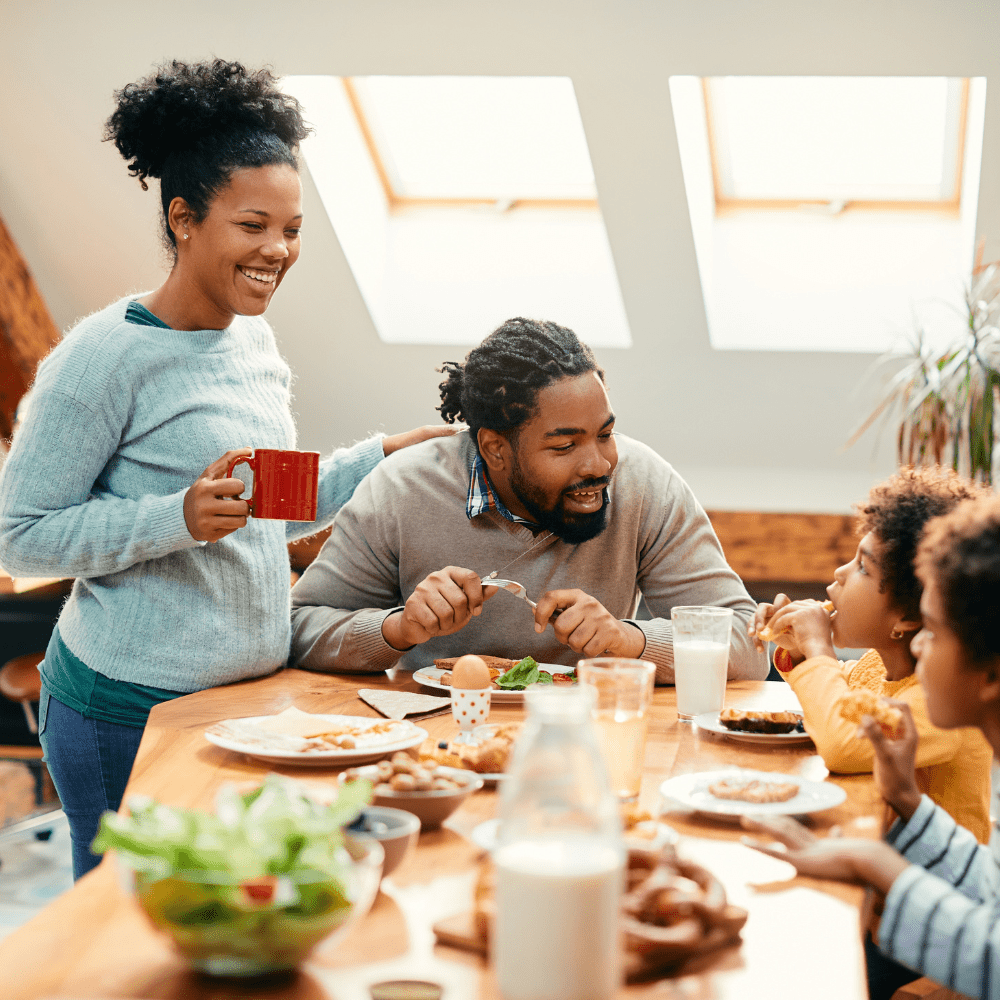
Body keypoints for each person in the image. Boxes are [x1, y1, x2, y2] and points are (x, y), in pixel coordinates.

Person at [0, 58, 449, 879]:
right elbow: (20, 536)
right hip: (123, 709)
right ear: (184, 218)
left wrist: (382, 457)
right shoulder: (99, 359)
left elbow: (265, 503)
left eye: (293, 228)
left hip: (246, 702)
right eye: (253, 225)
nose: (278, 250)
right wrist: (175, 518)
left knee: (232, 914)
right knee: (126, 923)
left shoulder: (252, 342)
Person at [290, 318, 764, 682]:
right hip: (436, 740)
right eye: (565, 445)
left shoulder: (645, 484)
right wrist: (398, 629)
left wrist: (629, 639)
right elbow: (298, 628)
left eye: (605, 434)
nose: (599, 464)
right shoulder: (401, 489)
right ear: (495, 449)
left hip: (590, 735)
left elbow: (748, 643)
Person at [742, 494, 1000, 1000]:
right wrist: (906, 799)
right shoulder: (882, 670)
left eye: (935, 631)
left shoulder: (933, 711)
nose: (920, 643)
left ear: (989, 673)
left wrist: (873, 863)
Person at [750, 467, 992, 843]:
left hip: (932, 872)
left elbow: (842, 743)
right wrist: (798, 649)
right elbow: (834, 698)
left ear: (907, 617)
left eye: (863, 567)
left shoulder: (945, 707)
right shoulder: (878, 667)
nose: (840, 572)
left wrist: (819, 649)